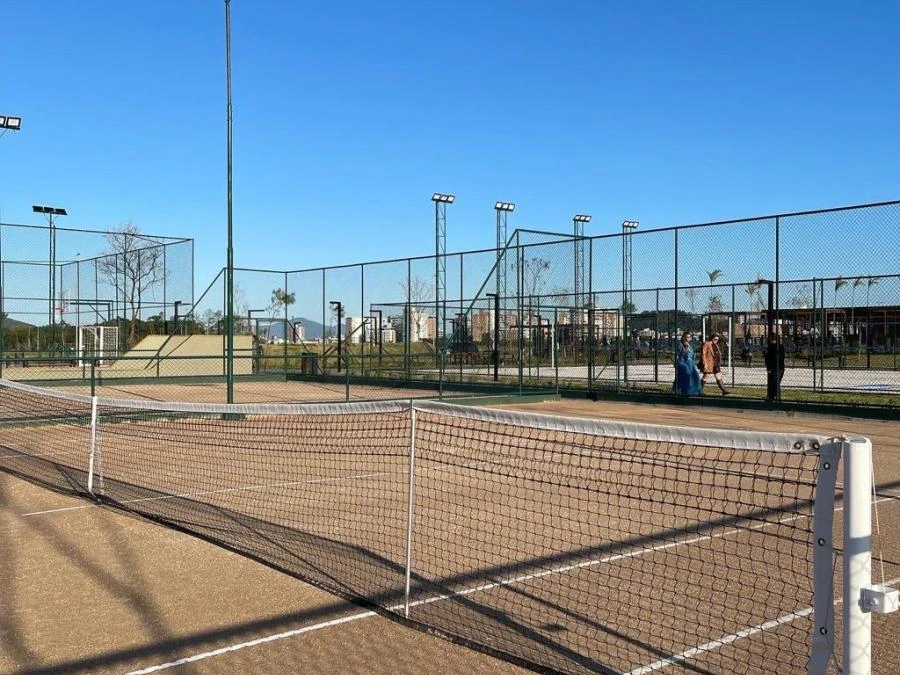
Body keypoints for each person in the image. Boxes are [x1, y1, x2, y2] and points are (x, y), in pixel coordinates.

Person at [674, 332, 702, 396]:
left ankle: (695, 390)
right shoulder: (681, 345)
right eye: (687, 337)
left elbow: (692, 355)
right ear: (684, 338)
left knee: (695, 375)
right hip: (683, 363)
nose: (689, 338)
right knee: (687, 375)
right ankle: (684, 389)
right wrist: (677, 363)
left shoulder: (690, 345)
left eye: (690, 337)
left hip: (690, 363)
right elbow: (677, 355)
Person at [764, 337, 786, 402]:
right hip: (780, 367)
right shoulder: (780, 347)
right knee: (775, 383)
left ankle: (773, 397)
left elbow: (769, 359)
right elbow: (782, 357)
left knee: (774, 383)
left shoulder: (771, 347)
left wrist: (765, 354)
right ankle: (774, 397)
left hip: (774, 367)